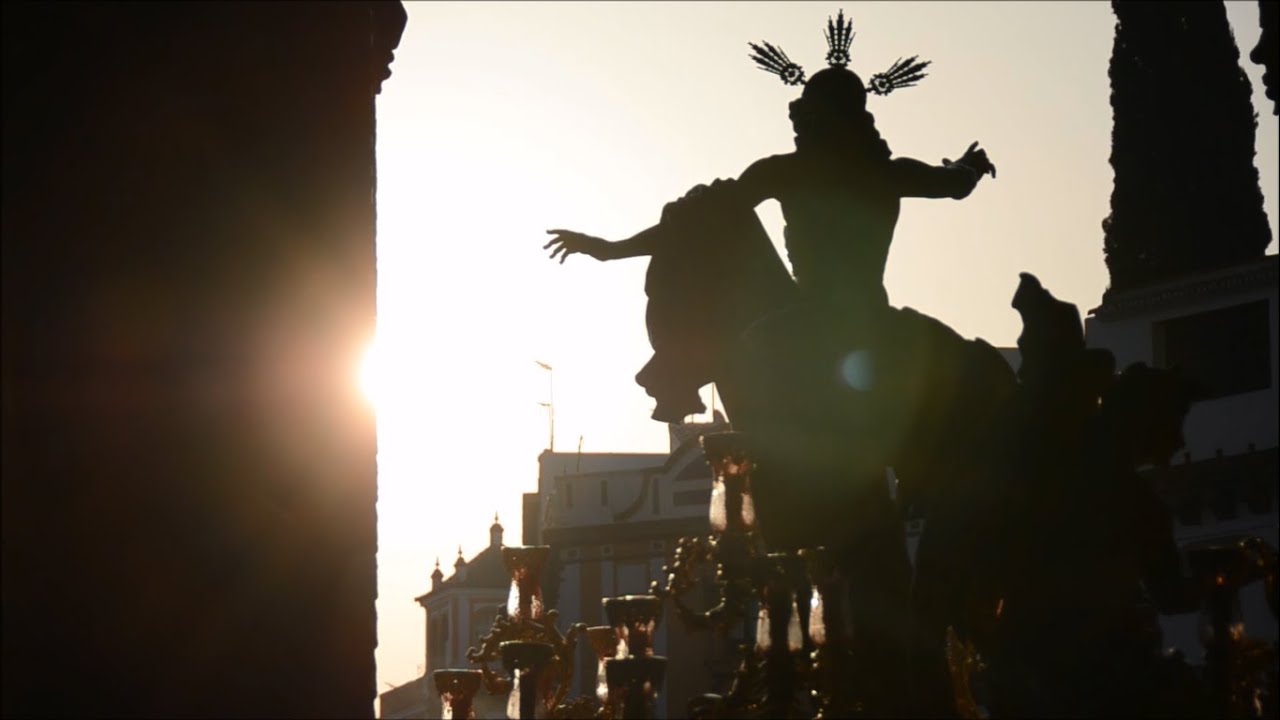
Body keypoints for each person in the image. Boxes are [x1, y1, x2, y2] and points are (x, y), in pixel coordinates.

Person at [545, 13, 1003, 716]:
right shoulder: (885, 173)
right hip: (873, 329)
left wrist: (611, 249)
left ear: (819, 119)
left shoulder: (786, 171)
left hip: (799, 328)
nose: (797, 126)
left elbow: (699, 224)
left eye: (804, 116)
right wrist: (970, 163)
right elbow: (956, 183)